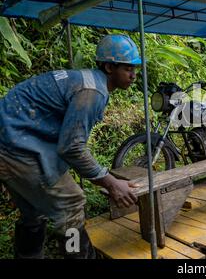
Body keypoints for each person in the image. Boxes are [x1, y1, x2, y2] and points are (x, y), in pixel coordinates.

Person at [0, 34, 141, 259]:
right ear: (108, 67)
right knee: (71, 204)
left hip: (14, 139)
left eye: (135, 69)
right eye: (127, 69)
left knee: (34, 210)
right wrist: (111, 182)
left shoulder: (87, 81)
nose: (133, 75)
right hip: (16, 146)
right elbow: (71, 147)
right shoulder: (92, 91)